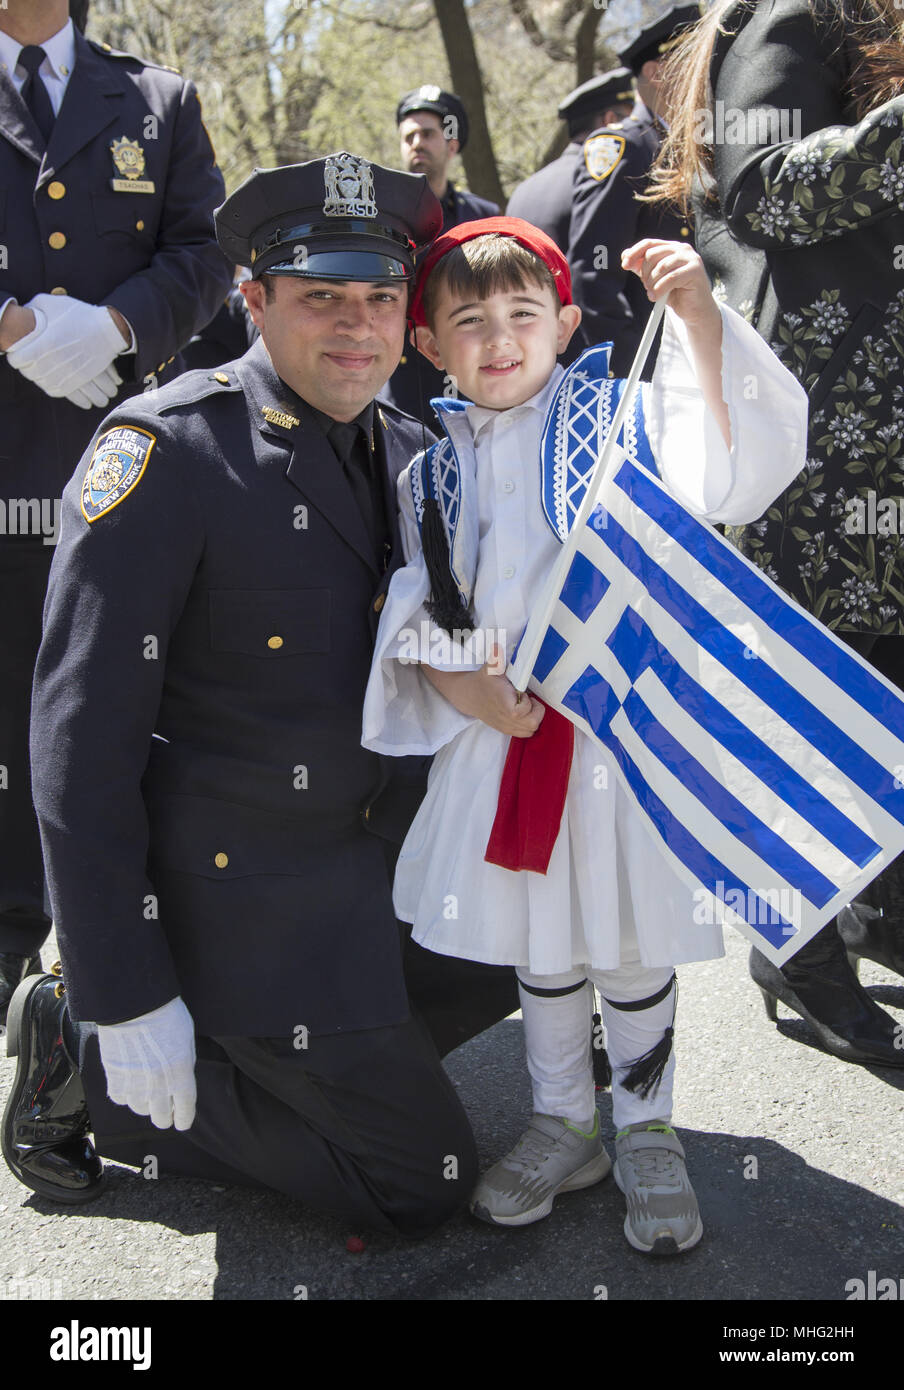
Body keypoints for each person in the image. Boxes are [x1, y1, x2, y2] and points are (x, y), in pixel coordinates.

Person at [1, 154, 519, 1234]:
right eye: (319, 297)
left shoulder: (414, 448)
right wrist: (126, 988)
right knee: (415, 1178)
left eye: (381, 298)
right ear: (253, 300)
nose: (356, 327)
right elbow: (75, 744)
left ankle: (312, 1048)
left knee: (518, 964)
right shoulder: (166, 453)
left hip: (369, 862)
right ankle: (87, 1061)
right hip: (234, 894)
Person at [361, 218, 808, 1251]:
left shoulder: (628, 418)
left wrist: (697, 315)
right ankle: (565, 1121)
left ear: (565, 324)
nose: (499, 338)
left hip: (621, 745)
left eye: (523, 314)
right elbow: (414, 601)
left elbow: (738, 472)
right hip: (501, 742)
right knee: (542, 943)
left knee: (626, 937)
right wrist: (450, 677)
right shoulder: (429, 472)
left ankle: (646, 1126)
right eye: (468, 320)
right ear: (429, 343)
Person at [647, 0, 904, 1066]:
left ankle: (870, 912)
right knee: (811, 711)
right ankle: (792, 949)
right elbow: (759, 193)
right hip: (821, 450)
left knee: (880, 700)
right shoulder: (794, 14)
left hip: (879, 438)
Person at [0, 0, 232, 1024]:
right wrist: (8, 326)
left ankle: (128, 976)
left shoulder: (155, 99)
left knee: (128, 722)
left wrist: (114, 324)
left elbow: (206, 250)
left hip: (117, 470)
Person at [567, 6, 697, 375]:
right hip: (648, 365)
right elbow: (594, 269)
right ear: (656, 73)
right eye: (693, 62)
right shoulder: (625, 146)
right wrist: (628, 367)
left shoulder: (680, 143)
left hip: (687, 352)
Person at [384, 85, 499, 420]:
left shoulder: (483, 215)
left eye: (427, 134)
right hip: (400, 375)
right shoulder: (381, 215)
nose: (417, 143)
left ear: (452, 144)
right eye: (409, 137)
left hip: (470, 370)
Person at [506, 68, 635, 252]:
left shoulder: (523, 189)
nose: (635, 130)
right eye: (630, 119)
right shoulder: (605, 182)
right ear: (610, 121)